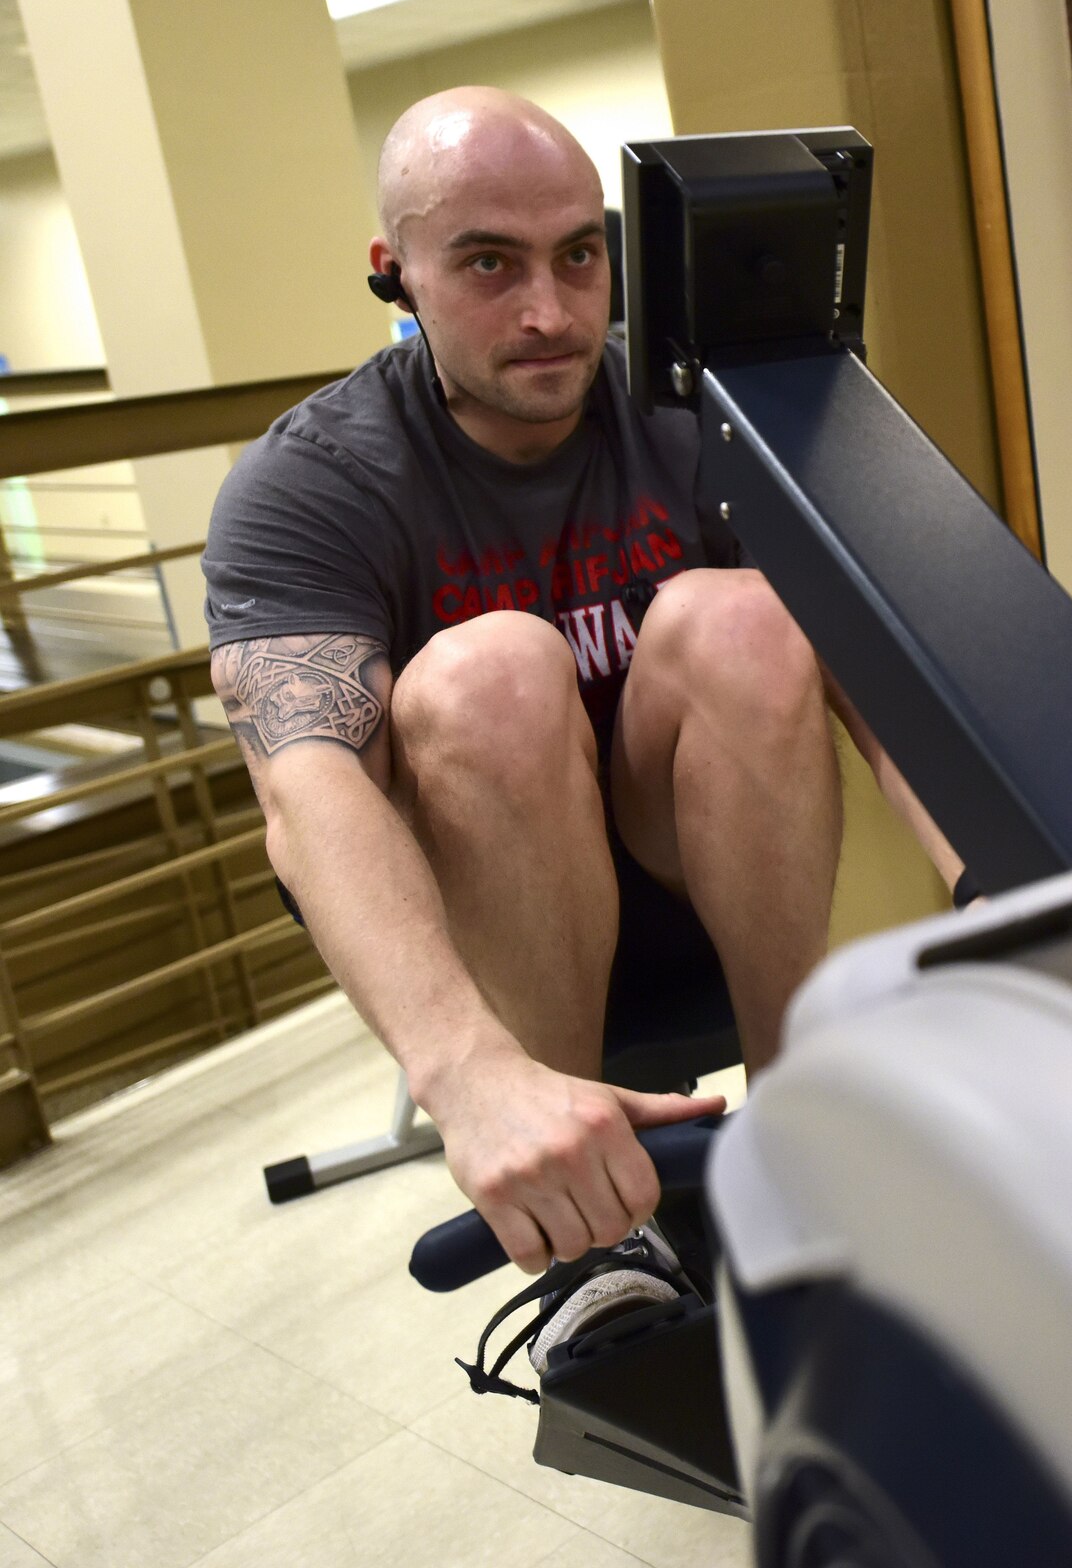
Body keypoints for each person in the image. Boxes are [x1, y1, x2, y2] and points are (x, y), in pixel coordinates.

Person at [202, 87, 962, 1276]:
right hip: (492, 927)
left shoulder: (692, 418)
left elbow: (877, 671)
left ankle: (798, 1125)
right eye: (489, 265)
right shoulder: (312, 483)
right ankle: (584, 1244)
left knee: (748, 619)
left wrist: (1005, 892)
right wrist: (462, 1073)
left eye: (579, 255)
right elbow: (308, 795)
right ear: (394, 270)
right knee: (492, 670)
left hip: (703, 879)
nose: (547, 310)